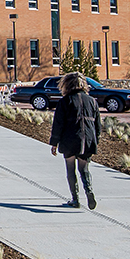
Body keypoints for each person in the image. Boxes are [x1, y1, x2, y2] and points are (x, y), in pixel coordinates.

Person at [49, 72, 102, 209]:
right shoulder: (92, 101)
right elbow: (98, 125)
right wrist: (95, 140)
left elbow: (58, 124)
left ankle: (75, 199)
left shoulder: (65, 102)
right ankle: (89, 191)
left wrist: (54, 143)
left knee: (70, 169)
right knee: (84, 169)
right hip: (88, 139)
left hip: (70, 140)